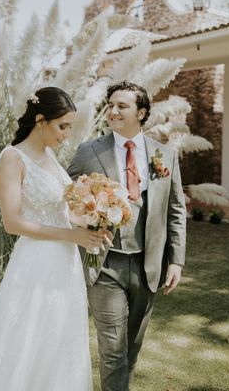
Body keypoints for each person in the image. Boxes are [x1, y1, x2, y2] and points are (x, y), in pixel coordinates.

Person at [0, 87, 107, 391]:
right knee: (25, 338)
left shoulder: (51, 158)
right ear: (41, 120)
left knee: (58, 340)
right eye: (63, 126)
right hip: (35, 264)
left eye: (70, 126)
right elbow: (13, 222)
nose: (67, 134)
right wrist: (73, 235)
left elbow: (61, 212)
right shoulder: (12, 158)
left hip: (65, 264)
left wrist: (92, 223)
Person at [68, 81, 187, 391]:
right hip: (104, 263)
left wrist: (176, 262)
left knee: (131, 346)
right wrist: (84, 219)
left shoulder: (165, 155)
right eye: (111, 105)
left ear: (142, 112)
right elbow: (67, 197)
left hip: (149, 265)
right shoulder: (88, 151)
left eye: (122, 106)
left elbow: (175, 210)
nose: (113, 111)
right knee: (112, 350)